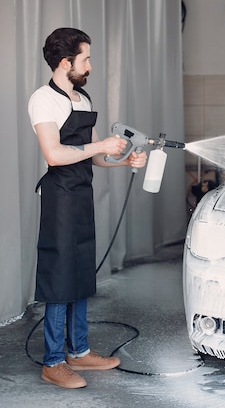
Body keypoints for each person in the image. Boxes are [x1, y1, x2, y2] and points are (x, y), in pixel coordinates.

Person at [28, 27, 147, 389]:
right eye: (86, 59)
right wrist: (102, 147)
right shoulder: (43, 101)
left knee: (80, 274)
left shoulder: (82, 99)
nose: (90, 66)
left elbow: (94, 157)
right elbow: (55, 154)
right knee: (59, 277)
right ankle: (52, 361)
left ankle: (78, 352)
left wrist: (123, 160)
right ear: (67, 62)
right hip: (59, 198)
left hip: (81, 195)